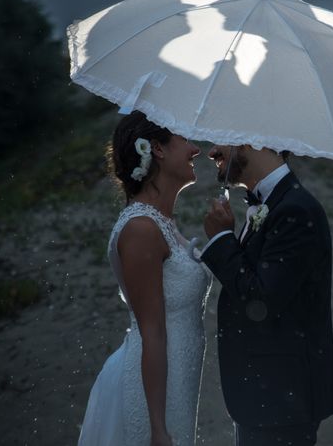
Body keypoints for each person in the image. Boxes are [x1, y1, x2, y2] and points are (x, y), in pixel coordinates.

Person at [79, 111, 212, 446]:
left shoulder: (164, 224)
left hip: (176, 384)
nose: (195, 149)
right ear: (158, 149)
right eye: (185, 139)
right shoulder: (141, 229)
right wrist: (157, 428)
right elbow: (151, 330)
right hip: (149, 393)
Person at [200, 144, 333, 446]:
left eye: (221, 138)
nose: (211, 152)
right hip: (266, 396)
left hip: (282, 401)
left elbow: (260, 300)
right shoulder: (277, 204)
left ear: (251, 140)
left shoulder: (296, 210)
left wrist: (223, 240)